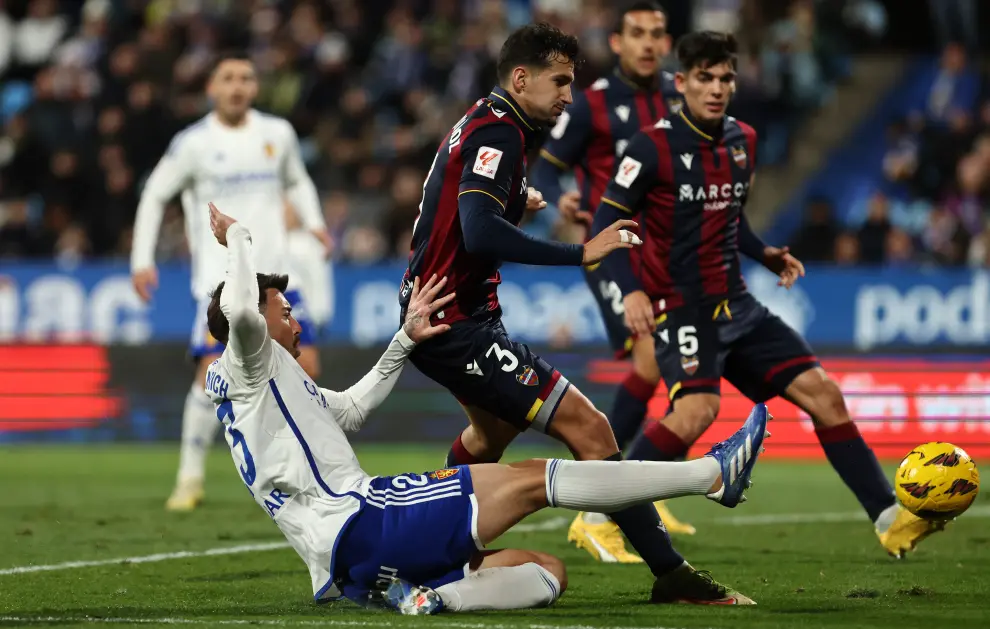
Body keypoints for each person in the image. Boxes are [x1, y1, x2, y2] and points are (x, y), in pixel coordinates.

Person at [202, 201, 769, 613]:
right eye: (285, 310)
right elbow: (244, 313)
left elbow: (347, 412)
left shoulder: (264, 388)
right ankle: (712, 476)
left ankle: (431, 597)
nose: (293, 320)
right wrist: (239, 238)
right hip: (365, 521)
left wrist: (403, 341)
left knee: (547, 573)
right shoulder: (251, 358)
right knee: (531, 480)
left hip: (347, 565)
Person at [399, 22, 751, 604]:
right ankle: (672, 574)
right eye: (560, 81)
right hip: (454, 323)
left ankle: (436, 549)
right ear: (521, 78)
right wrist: (581, 250)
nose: (568, 95)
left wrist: (518, 200)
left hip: (451, 316)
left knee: (489, 437)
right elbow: (479, 231)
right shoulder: (501, 131)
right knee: (591, 428)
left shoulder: (487, 121)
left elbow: (467, 209)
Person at [590, 30, 942, 559]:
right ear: (681, 82)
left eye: (725, 78)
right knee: (695, 413)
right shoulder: (651, 146)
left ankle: (888, 518)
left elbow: (728, 218)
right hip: (682, 306)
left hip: (739, 304)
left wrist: (765, 253)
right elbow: (606, 222)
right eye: (704, 78)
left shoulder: (743, 141)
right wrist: (632, 290)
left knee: (824, 395)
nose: (716, 88)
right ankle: (607, 512)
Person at [130, 52, 332, 511]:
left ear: (255, 88)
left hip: (278, 276)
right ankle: (189, 478)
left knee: (307, 368)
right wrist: (142, 259)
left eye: (245, 78)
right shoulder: (192, 143)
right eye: (228, 79)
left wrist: (315, 222)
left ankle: (302, 471)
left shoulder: (276, 134)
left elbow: (297, 181)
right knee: (209, 376)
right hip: (220, 281)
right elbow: (154, 194)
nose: (237, 86)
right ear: (211, 89)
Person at [530, 0, 696, 556]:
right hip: (613, 250)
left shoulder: (681, 94)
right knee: (650, 359)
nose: (649, 43)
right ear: (619, 42)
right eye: (637, 34)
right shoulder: (593, 105)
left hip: (671, 253)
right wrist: (563, 200)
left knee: (663, 370)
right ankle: (604, 505)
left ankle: (634, 492)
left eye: (657, 34)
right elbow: (547, 171)